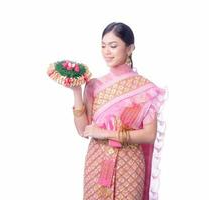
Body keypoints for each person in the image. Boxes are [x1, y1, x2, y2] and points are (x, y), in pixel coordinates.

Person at [71, 22, 166, 200]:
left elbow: (149, 135)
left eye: (113, 46)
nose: (107, 51)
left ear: (130, 48)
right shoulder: (94, 85)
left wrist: (105, 133)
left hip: (129, 163)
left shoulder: (145, 89)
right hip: (97, 159)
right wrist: (76, 91)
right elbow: (84, 130)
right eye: (103, 46)